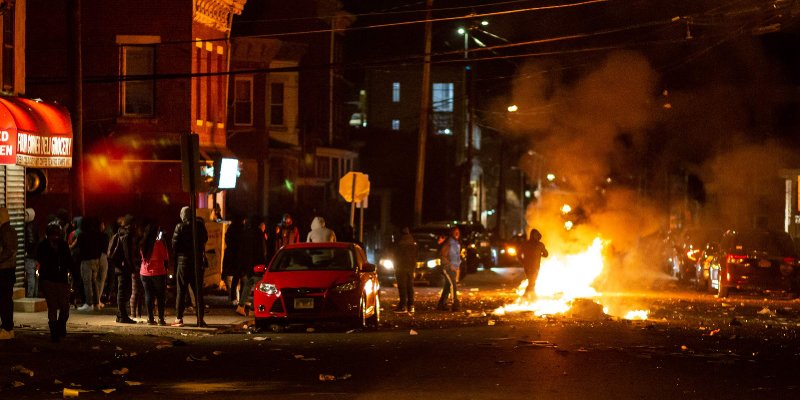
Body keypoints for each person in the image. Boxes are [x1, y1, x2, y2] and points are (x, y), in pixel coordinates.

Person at [171, 206, 208, 327]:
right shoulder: (199, 225)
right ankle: (200, 319)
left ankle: (179, 318)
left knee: (181, 291)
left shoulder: (179, 227)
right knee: (198, 292)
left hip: (183, 262)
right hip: (197, 262)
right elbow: (205, 239)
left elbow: (174, 245)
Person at [36, 222, 73, 342]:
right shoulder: (43, 246)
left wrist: (75, 276)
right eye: (53, 235)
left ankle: (61, 326)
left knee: (64, 307)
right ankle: (54, 333)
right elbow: (41, 259)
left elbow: (69, 260)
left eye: (57, 235)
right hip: (48, 279)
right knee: (52, 306)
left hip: (61, 279)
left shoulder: (63, 245)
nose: (55, 238)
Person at [108, 215, 138, 324]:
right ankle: (122, 315)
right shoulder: (127, 235)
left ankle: (120, 314)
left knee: (121, 291)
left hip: (118, 266)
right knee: (124, 292)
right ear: (131, 224)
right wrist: (132, 267)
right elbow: (127, 253)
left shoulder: (120, 233)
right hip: (124, 267)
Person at [139, 220, 169, 326]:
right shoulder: (159, 243)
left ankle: (150, 319)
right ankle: (161, 319)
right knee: (160, 296)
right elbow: (166, 257)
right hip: (158, 273)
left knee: (148, 295)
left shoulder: (143, 243)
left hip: (144, 273)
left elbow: (142, 257)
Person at [236, 216, 267, 316]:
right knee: (259, 287)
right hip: (257, 264)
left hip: (248, 264)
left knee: (248, 285)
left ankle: (241, 306)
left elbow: (242, 250)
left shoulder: (246, 233)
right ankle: (253, 309)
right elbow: (263, 250)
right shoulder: (259, 234)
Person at [76, 217, 106, 312]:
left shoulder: (81, 235)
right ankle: (96, 303)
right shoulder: (97, 234)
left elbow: (80, 249)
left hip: (86, 261)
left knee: (87, 282)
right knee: (94, 282)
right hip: (96, 260)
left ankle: (89, 303)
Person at [0, 208, 18, 339]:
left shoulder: (6, 231)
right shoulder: (6, 230)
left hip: (5, 271)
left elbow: (9, 250)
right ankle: (6, 327)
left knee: (5, 300)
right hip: (5, 270)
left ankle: (7, 328)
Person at [519, 228, 549, 300]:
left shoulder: (525, 244)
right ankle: (525, 297)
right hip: (534, 267)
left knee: (531, 281)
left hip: (528, 266)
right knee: (532, 282)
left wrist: (523, 261)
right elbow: (546, 254)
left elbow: (518, 254)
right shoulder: (540, 245)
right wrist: (540, 254)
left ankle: (532, 296)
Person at [437, 226, 461, 312]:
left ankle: (441, 304)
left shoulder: (456, 243)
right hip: (448, 268)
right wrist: (450, 265)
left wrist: (457, 267)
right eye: (455, 232)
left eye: (458, 232)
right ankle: (455, 304)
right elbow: (443, 256)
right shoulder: (449, 243)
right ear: (452, 233)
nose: (457, 233)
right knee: (452, 285)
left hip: (453, 269)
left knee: (447, 286)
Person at [393, 227, 418, 313]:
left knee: (402, 286)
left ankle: (402, 305)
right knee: (410, 286)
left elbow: (396, 256)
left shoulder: (399, 243)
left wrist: (396, 265)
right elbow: (415, 256)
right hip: (410, 267)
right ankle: (411, 305)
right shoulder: (412, 243)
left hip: (401, 267)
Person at [222, 214, 244, 306]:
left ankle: (234, 299)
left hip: (232, 255)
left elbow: (227, 239)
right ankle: (238, 299)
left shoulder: (231, 229)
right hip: (239, 255)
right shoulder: (243, 229)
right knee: (239, 278)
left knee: (233, 279)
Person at [23, 208, 39, 298]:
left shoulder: (29, 227)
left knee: (30, 276)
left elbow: (31, 241)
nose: (24, 217)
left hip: (30, 255)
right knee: (33, 276)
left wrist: (26, 252)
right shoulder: (35, 225)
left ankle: (30, 295)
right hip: (34, 255)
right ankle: (34, 294)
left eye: (26, 215)